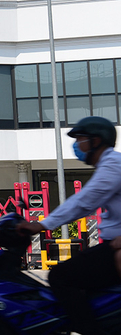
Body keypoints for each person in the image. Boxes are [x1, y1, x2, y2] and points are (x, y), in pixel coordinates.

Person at [17, 116, 121, 335]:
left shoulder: (112, 165)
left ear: (96, 141)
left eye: (81, 139)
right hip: (112, 245)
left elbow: (84, 201)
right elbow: (85, 203)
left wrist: (43, 224)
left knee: (60, 276)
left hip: (115, 247)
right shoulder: (110, 165)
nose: (77, 145)